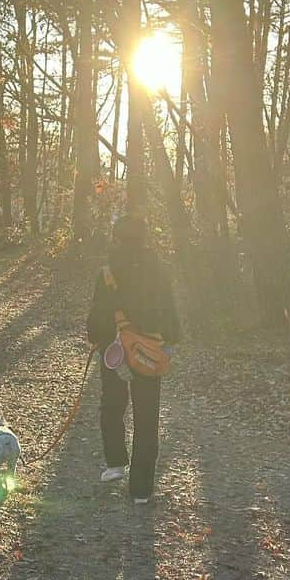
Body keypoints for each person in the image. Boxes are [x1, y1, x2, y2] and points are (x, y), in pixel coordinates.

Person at [86, 216, 181, 503]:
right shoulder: (159, 269)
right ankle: (141, 489)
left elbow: (97, 319)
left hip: (115, 350)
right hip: (149, 350)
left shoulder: (107, 272)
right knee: (147, 416)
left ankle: (116, 463)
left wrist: (98, 337)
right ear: (145, 238)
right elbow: (170, 310)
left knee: (112, 406)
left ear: (116, 238)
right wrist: (171, 342)